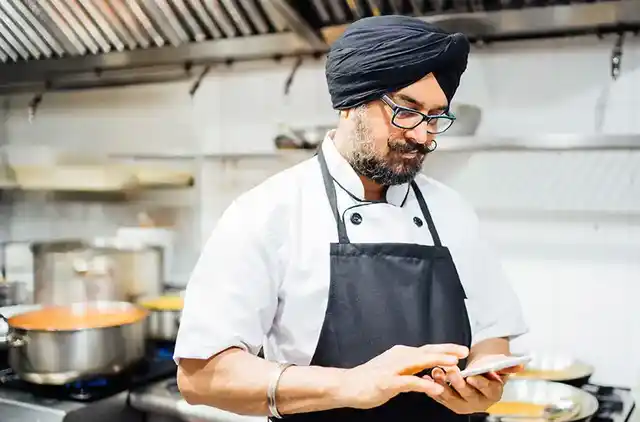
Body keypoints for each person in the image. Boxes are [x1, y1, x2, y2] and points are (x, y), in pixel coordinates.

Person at [174, 14, 527, 421]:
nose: (422, 136)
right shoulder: (267, 213)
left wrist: (483, 386)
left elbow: (492, 335)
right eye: (406, 111)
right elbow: (200, 377)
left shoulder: (452, 210)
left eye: (434, 117)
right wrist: (348, 385)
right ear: (351, 103)